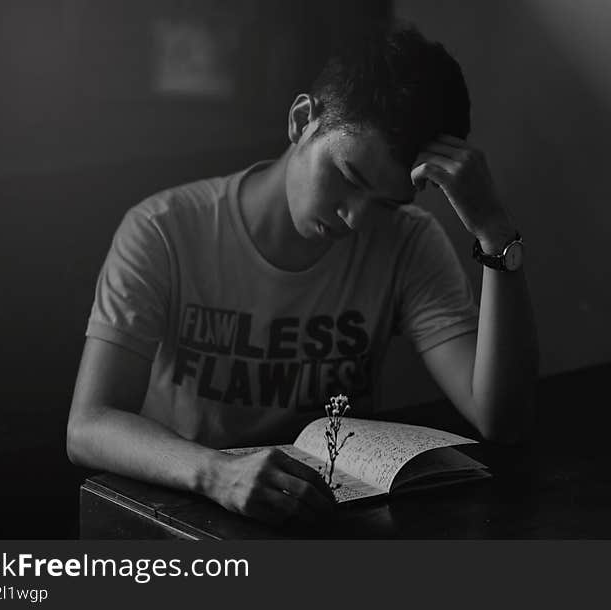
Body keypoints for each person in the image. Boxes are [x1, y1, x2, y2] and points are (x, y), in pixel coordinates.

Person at [66, 24, 538, 527]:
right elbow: (89, 426)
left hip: (330, 520)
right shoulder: (163, 230)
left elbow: (501, 421)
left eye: (384, 203)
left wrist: (494, 233)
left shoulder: (408, 241)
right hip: (187, 518)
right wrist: (215, 473)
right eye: (349, 177)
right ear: (301, 120)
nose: (356, 218)